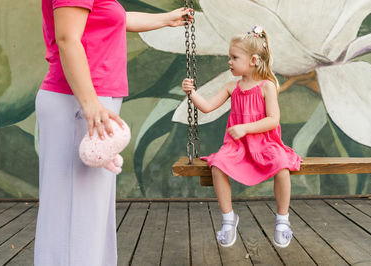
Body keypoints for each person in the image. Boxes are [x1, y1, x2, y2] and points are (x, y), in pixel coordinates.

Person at [35, 1, 192, 265]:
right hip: (79, 103)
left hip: (89, 101)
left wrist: (167, 19)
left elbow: (118, 19)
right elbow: (67, 38)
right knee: (78, 213)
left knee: (90, 210)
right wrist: (90, 104)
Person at [182, 25, 301, 248]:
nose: (230, 61)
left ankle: (282, 219)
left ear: (253, 60)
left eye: (234, 57)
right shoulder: (231, 87)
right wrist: (192, 93)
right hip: (237, 146)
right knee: (217, 165)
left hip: (265, 143)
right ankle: (228, 218)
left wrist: (246, 128)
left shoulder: (267, 86)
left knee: (282, 166)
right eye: (230, 57)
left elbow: (273, 119)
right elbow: (207, 107)